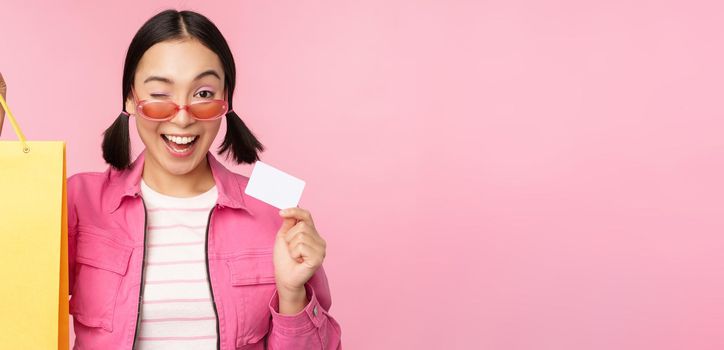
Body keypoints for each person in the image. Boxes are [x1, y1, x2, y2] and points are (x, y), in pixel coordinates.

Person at [58, 9, 341, 349]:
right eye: (160, 94)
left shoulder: (274, 211)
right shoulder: (78, 199)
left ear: (226, 101)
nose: (182, 117)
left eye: (203, 94)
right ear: (131, 99)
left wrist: (293, 294)